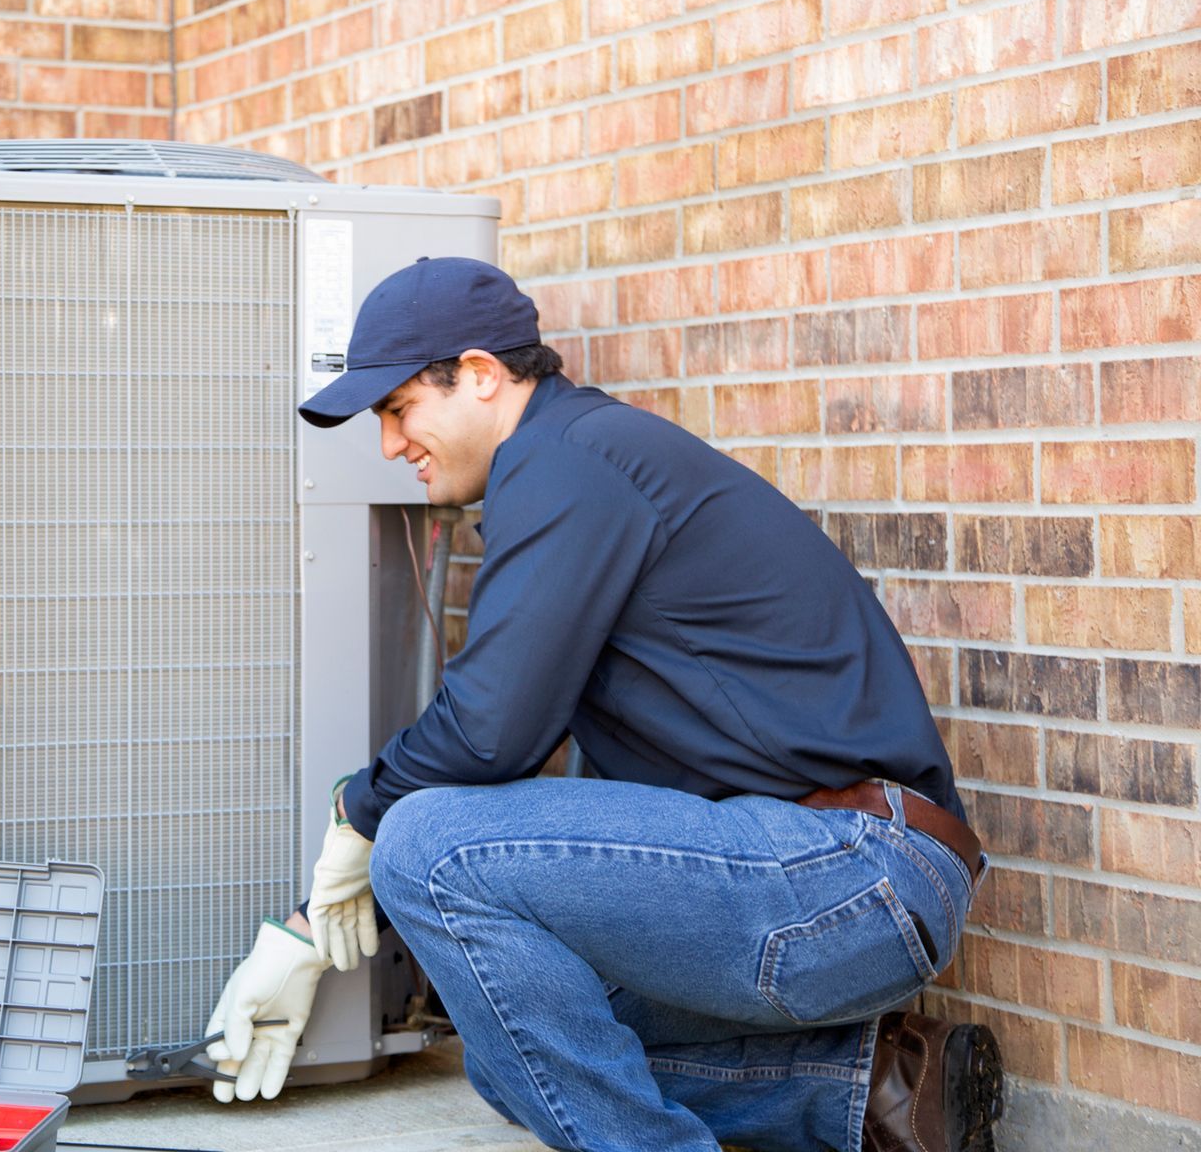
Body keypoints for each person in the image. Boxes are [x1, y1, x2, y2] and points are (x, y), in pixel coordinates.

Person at [201, 258, 1004, 1152]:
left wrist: (359, 815)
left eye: (396, 411)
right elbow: (544, 796)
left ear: (477, 374)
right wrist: (319, 923)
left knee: (427, 839)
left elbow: (488, 731)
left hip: (851, 873)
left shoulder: (567, 465)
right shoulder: (571, 467)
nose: (390, 446)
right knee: (512, 1053)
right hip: (818, 882)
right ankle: (874, 1092)